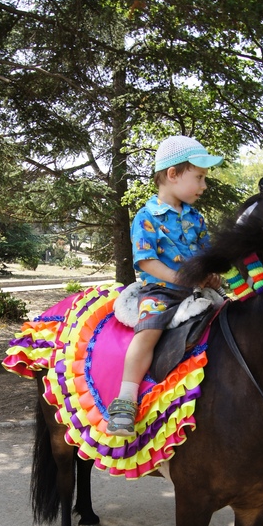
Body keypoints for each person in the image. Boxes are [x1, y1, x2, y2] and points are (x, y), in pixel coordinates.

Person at [106, 135, 224, 437]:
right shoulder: (146, 217)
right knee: (149, 331)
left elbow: (206, 256)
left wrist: (212, 274)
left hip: (197, 291)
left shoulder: (196, 218)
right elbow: (146, 262)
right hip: (161, 291)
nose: (203, 186)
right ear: (173, 174)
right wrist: (183, 277)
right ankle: (125, 399)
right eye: (199, 177)